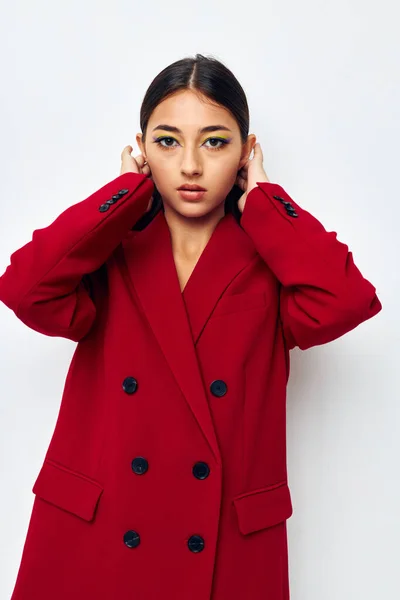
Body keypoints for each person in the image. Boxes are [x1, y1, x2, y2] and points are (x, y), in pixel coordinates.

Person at [0, 53, 382, 600]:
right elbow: (22, 288)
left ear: (247, 152)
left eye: (215, 141)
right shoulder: (109, 254)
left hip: (224, 540)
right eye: (168, 141)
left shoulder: (271, 262)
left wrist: (268, 203)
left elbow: (346, 301)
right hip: (99, 534)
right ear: (141, 149)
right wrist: (122, 196)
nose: (191, 167)